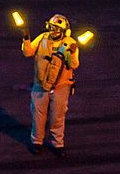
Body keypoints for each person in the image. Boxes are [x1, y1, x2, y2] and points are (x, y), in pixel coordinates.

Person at [23, 13, 80, 156]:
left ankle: (58, 144)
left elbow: (74, 64)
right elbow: (28, 52)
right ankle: (37, 143)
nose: (53, 31)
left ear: (64, 31)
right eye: (51, 27)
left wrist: (71, 53)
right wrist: (26, 38)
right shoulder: (43, 38)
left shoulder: (70, 43)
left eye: (56, 28)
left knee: (57, 117)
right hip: (40, 84)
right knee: (38, 116)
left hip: (61, 86)